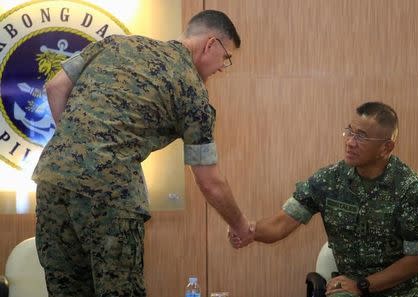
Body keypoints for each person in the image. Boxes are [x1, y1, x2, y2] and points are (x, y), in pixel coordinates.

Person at [32, 10, 253, 297]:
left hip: (52, 180)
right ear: (211, 44)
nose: (223, 67)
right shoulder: (192, 92)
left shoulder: (115, 44)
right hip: (110, 196)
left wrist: (79, 149)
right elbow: (210, 182)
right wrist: (239, 225)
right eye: (226, 57)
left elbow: (55, 86)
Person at [230, 102, 418, 297]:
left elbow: (417, 261)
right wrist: (249, 230)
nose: (350, 142)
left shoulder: (413, 189)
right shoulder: (329, 180)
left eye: (361, 136)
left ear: (386, 147)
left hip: (407, 289)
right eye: (349, 132)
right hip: (349, 287)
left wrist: (364, 285)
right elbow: (280, 224)